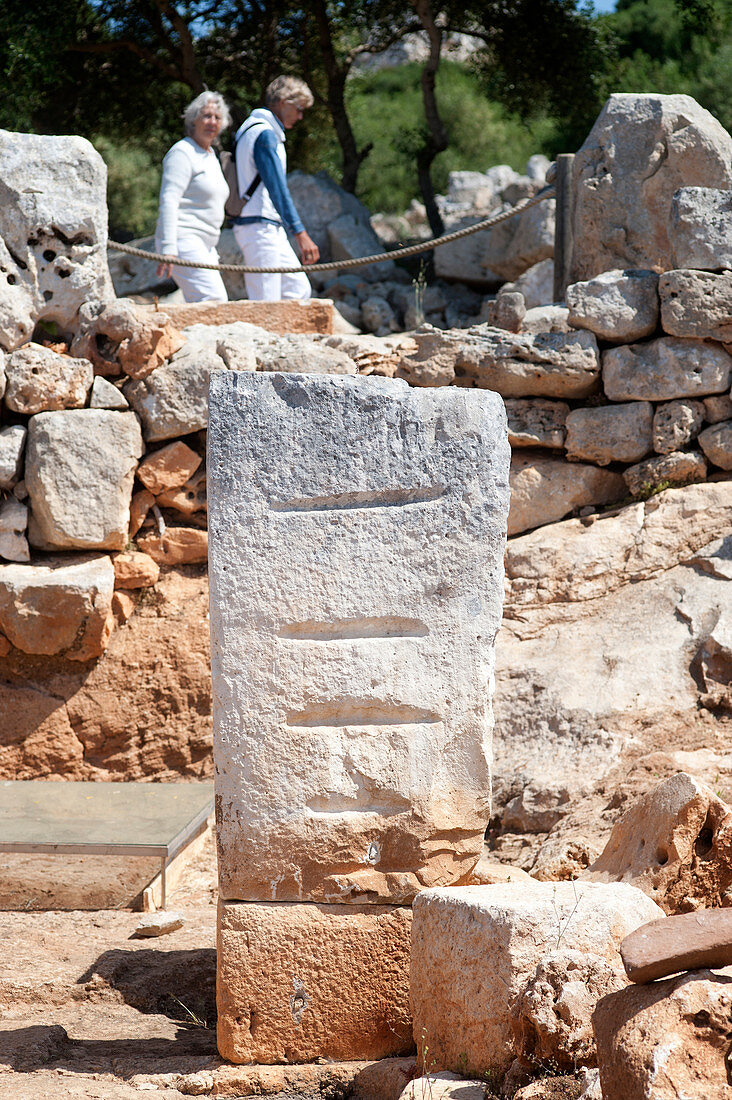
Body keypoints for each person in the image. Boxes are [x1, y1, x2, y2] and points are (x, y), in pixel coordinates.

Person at [231, 75, 320, 301]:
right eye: (299, 108)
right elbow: (277, 189)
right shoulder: (264, 134)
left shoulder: (253, 129)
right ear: (283, 101)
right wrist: (301, 234)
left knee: (298, 288)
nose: (300, 116)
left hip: (268, 227)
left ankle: (289, 337)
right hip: (258, 226)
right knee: (265, 300)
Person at [155, 91, 231, 302]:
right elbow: (169, 199)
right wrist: (169, 248)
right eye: (206, 116)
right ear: (193, 120)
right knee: (213, 300)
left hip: (206, 244)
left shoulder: (211, 156)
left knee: (208, 303)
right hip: (183, 239)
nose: (212, 122)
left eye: (217, 117)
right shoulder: (182, 152)